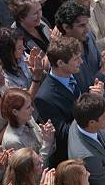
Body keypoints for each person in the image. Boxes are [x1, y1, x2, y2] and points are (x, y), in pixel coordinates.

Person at [33, 35, 85, 166]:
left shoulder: (75, 71)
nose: (81, 62)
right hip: (73, 156)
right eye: (76, 59)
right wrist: (91, 117)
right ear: (61, 63)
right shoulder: (45, 97)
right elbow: (63, 132)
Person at [54, 0, 105, 94]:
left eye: (86, 23)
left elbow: (98, 63)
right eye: (81, 25)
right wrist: (104, 70)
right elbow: (81, 94)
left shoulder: (88, 36)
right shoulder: (63, 59)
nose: (87, 29)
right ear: (66, 27)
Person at [1, 88, 56, 165]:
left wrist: (48, 136)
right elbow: (33, 171)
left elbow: (47, 148)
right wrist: (47, 143)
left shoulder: (28, 119)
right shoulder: (12, 142)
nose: (32, 109)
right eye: (28, 107)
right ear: (15, 112)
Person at [0, 27, 46, 93]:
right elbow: (23, 101)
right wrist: (36, 78)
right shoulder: (2, 76)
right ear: (8, 53)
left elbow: (43, 77)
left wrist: (37, 67)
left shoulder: (22, 56)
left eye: (23, 45)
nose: (24, 49)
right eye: (19, 48)